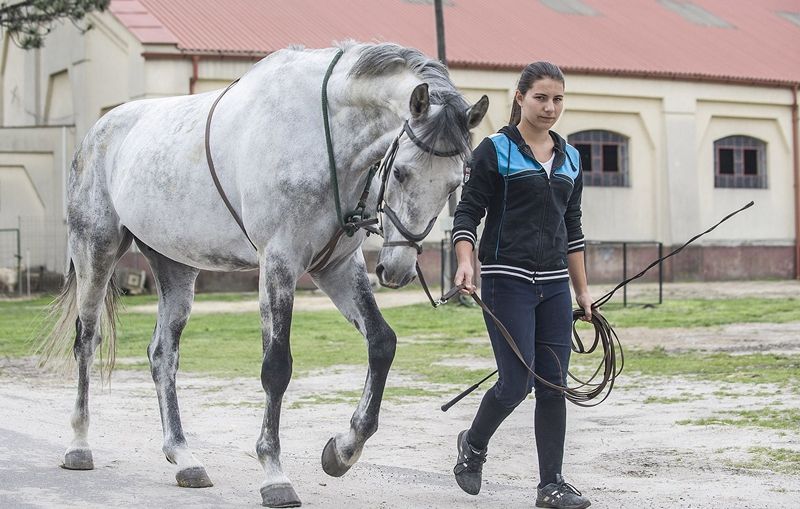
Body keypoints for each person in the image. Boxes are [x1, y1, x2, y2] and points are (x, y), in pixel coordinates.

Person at [451, 61, 592, 509]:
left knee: (552, 384)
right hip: (505, 280)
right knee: (515, 384)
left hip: (553, 286)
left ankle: (551, 484)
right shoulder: (495, 150)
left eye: (558, 99)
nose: (550, 108)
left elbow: (573, 228)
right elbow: (467, 213)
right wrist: (466, 263)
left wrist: (583, 291)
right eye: (541, 98)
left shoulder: (571, 157)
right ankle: (472, 447)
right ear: (519, 97)